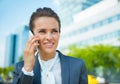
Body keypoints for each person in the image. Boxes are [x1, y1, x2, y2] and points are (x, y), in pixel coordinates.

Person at [13, 7, 88, 84]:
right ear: (31, 35)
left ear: (59, 34)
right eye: (42, 31)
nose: (49, 37)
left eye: (54, 31)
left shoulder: (78, 65)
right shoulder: (20, 68)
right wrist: (28, 69)